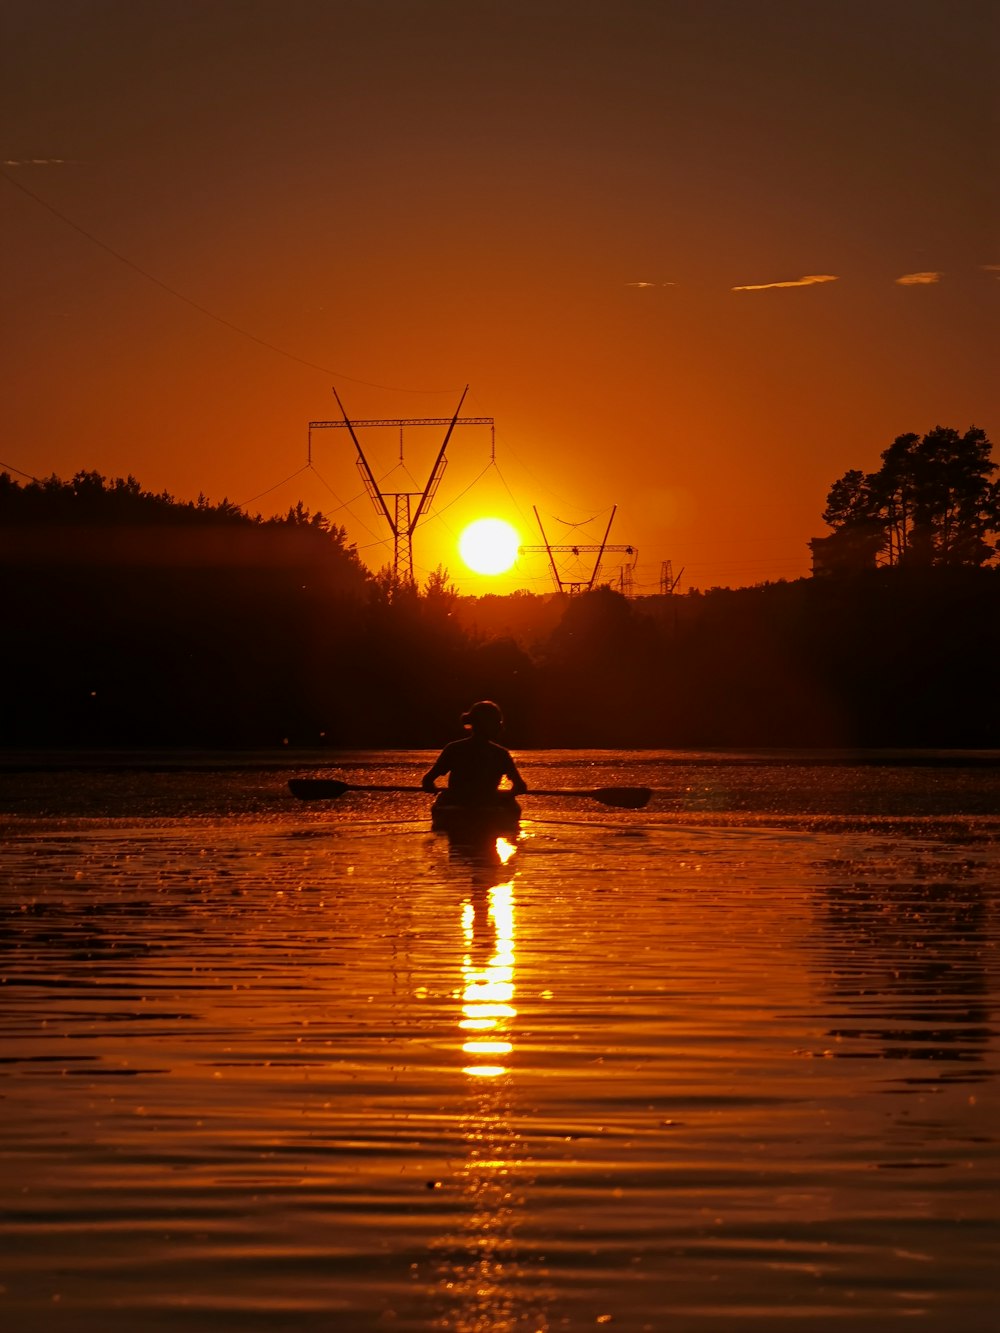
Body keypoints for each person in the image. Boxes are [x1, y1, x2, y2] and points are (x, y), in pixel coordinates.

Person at [422, 700, 528, 805]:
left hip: (456, 805)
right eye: (498, 722)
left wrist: (432, 788)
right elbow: (520, 787)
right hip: (486, 806)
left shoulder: (453, 748)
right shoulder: (501, 754)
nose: (500, 726)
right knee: (511, 804)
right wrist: (509, 795)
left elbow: (427, 780)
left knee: (442, 799)